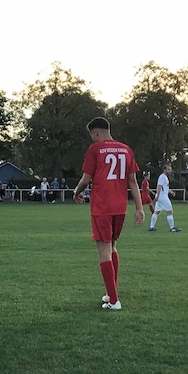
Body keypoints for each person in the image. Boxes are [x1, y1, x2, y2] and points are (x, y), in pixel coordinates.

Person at [72, 117, 145, 311]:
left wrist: (76, 193)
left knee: (104, 250)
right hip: (120, 207)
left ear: (96, 133)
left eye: (92, 135)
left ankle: (114, 300)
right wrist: (139, 208)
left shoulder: (95, 149)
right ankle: (110, 292)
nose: (92, 138)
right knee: (112, 247)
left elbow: (86, 179)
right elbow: (132, 181)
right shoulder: (126, 149)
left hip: (102, 207)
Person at [148, 164, 181, 232]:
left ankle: (151, 227)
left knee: (156, 212)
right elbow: (159, 186)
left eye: (170, 169)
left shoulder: (164, 177)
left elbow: (165, 187)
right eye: (168, 169)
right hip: (162, 196)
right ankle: (172, 228)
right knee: (170, 211)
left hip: (161, 196)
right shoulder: (162, 177)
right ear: (164, 170)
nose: (170, 171)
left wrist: (171, 192)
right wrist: (157, 196)